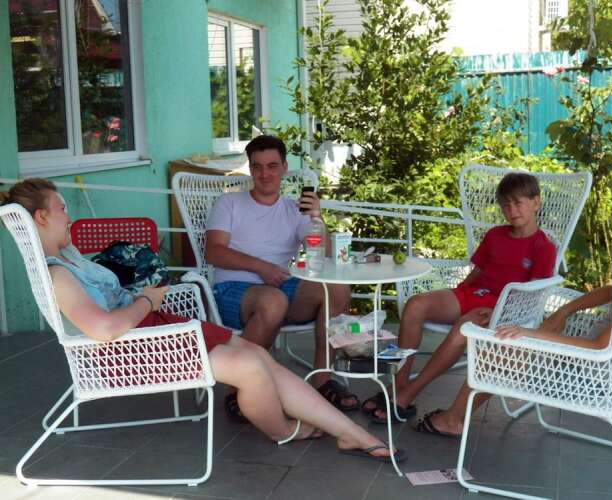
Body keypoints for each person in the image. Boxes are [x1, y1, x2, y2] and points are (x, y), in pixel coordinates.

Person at [0, 179, 404, 463]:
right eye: (62, 209)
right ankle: (285, 430)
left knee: (260, 356)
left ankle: (351, 434)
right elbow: (103, 330)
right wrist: (145, 299)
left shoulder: (69, 258)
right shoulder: (58, 273)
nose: (68, 215)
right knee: (251, 368)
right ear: (41, 217)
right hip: (132, 347)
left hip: (153, 328)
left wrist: (148, 299)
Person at [363, 172, 557, 423]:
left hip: (502, 308)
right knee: (415, 305)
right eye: (506, 205)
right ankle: (398, 385)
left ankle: (409, 394)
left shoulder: (543, 247)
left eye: (518, 203)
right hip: (473, 295)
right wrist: (459, 291)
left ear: (536, 202)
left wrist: (500, 313)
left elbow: (533, 293)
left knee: (462, 328)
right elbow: (478, 270)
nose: (511, 210)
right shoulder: (495, 235)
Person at [205, 135, 358, 419]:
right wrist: (261, 267)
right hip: (233, 290)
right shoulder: (229, 203)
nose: (265, 174)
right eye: (257, 167)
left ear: (284, 168)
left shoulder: (294, 210)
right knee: (273, 301)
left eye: (272, 166)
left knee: (336, 289)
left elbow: (325, 255)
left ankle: (322, 381)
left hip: (280, 288)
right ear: (250, 169)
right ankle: (236, 392)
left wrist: (316, 217)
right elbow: (213, 252)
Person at [414, 285, 612, 437]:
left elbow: (599, 347)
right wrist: (564, 311)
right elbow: (611, 291)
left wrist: (534, 335)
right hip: (583, 364)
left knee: (500, 353)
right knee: (514, 347)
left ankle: (452, 419)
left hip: (587, 380)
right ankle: (456, 416)